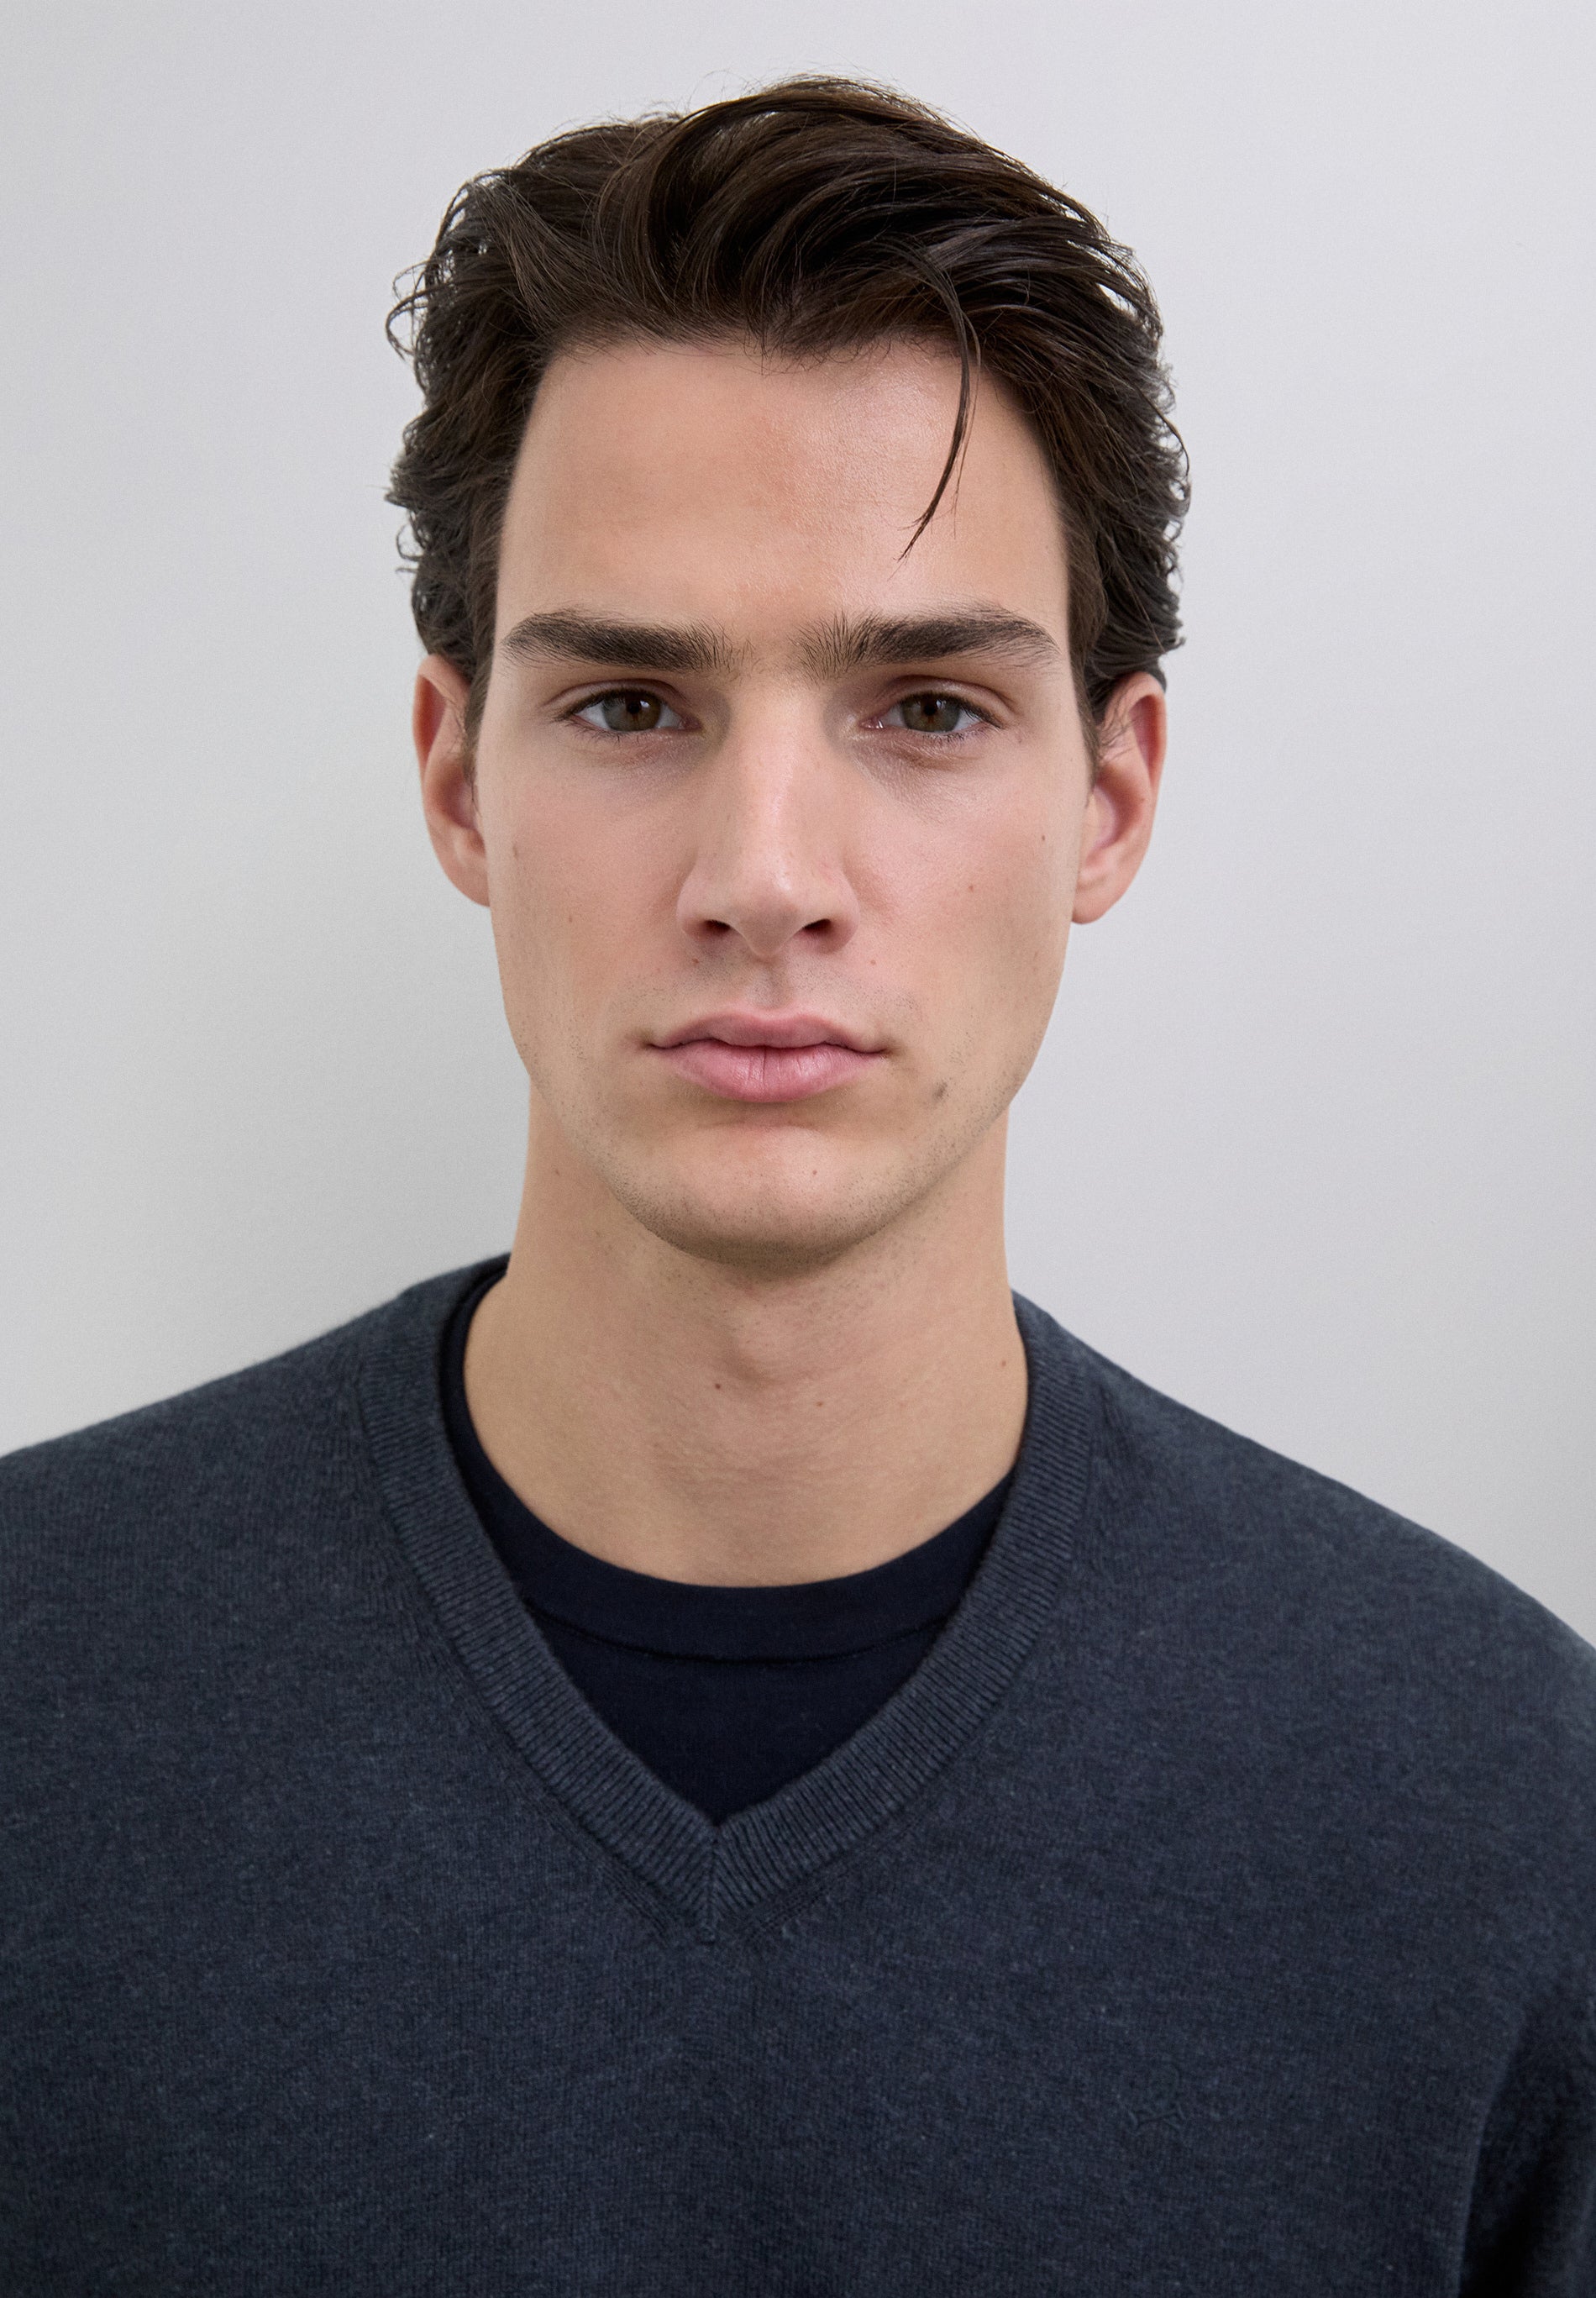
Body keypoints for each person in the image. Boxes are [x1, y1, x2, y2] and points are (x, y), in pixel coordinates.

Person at [2, 76, 1592, 2296]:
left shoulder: (1497, 1808)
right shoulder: (36, 1698)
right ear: (458, 781)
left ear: (1109, 797)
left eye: (925, 707)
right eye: (630, 705)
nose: (766, 876)